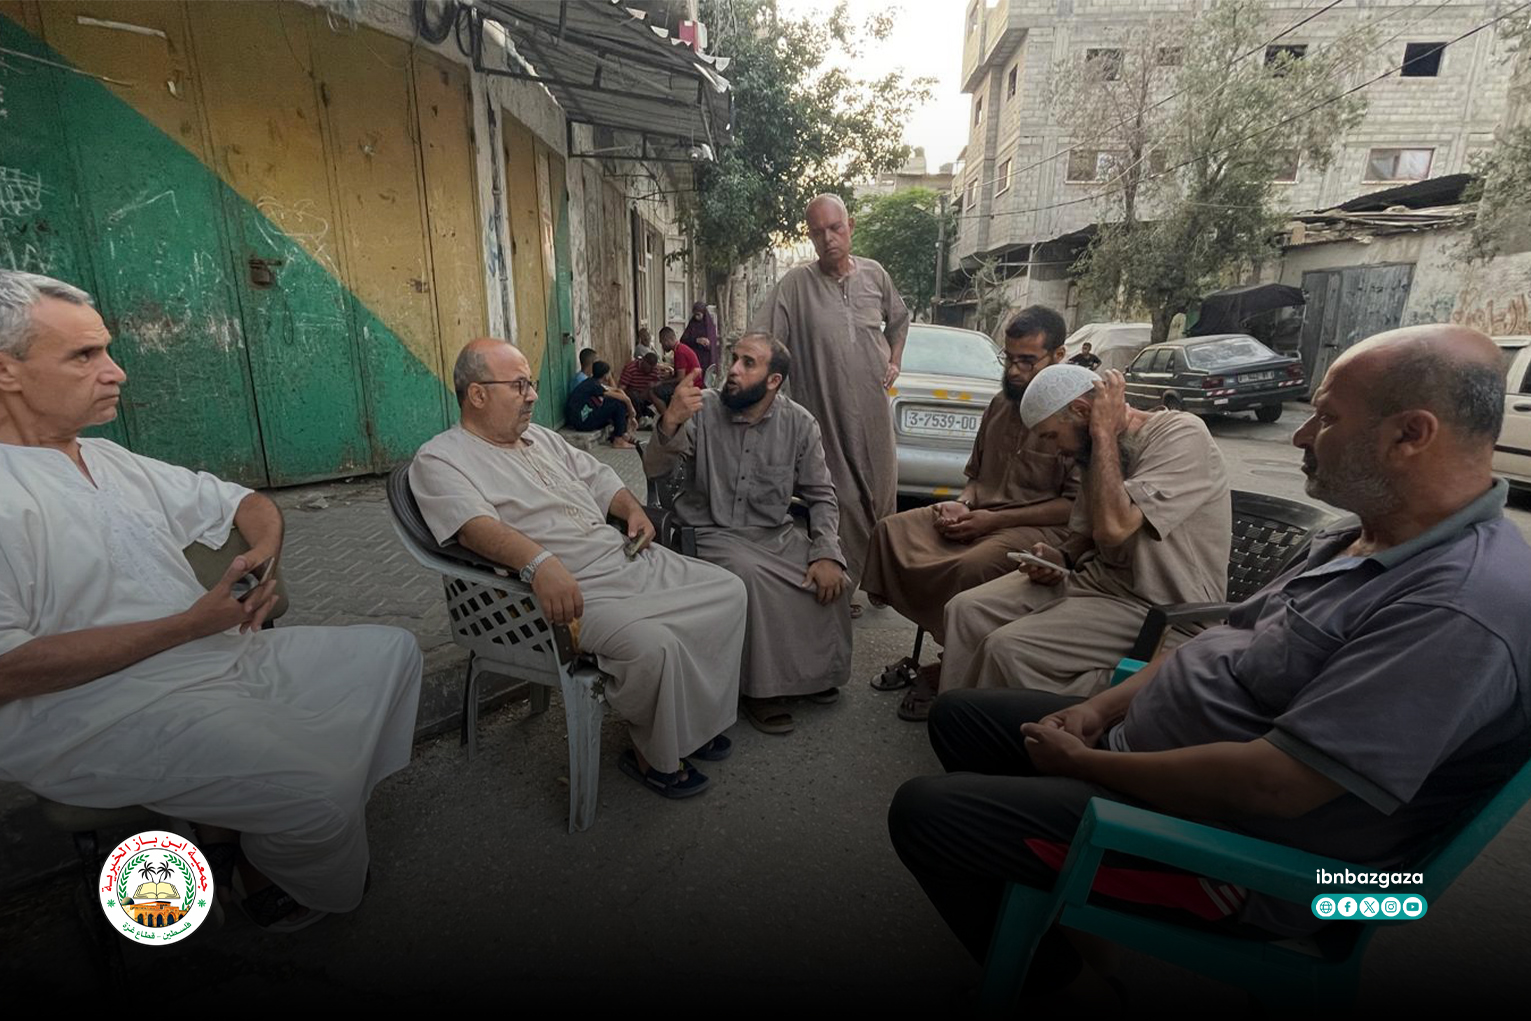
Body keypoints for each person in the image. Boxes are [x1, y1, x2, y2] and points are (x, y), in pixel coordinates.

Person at [889, 324, 1531, 989]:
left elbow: (1276, 786)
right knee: (961, 716)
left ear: (1411, 434)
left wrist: (1088, 763)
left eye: (1326, 417)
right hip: (1159, 766)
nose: (1300, 435)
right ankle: (1040, 892)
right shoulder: (1365, 536)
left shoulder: (1460, 604)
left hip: (1243, 861)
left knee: (929, 814)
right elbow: (1220, 637)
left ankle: (1056, 979)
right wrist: (1098, 711)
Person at [0, 271, 423, 932]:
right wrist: (189, 625)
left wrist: (263, 558)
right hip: (93, 713)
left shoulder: (109, 458)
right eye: (84, 355)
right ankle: (265, 872)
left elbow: (245, 502)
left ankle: (244, 824)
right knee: (315, 795)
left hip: (213, 656)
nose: (116, 372)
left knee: (392, 653)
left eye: (107, 349)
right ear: (7, 371)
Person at [411, 339, 746, 799]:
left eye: (531, 383)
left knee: (729, 590)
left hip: (621, 555)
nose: (532, 395)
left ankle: (692, 724)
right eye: (519, 385)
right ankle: (653, 755)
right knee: (653, 644)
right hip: (563, 588)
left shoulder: (541, 437)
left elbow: (599, 477)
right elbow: (472, 528)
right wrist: (539, 563)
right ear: (477, 394)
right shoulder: (441, 458)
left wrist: (632, 510)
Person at [934, 363, 1231, 711]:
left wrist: (1103, 434)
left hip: (1158, 604)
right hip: (1099, 583)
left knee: (1007, 648)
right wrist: (1061, 556)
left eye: (1051, 436)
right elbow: (1088, 535)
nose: (1055, 450)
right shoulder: (1092, 451)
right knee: (966, 611)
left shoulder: (1181, 434)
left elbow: (1114, 527)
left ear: (1081, 411)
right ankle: (958, 723)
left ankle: (1024, 733)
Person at [861, 306, 1080, 711]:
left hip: (1038, 529)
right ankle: (942, 644)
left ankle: (950, 667)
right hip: (983, 514)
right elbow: (976, 479)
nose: (1014, 371)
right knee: (891, 529)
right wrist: (961, 505)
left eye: (1027, 361)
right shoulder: (999, 404)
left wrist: (991, 521)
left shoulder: (1072, 416)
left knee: (970, 567)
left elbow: (1071, 507)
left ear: (1059, 356)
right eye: (1008, 358)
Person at [643, 333, 850, 736]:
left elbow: (822, 495)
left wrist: (827, 551)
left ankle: (814, 675)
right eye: (734, 358)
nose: (733, 370)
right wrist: (670, 421)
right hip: (710, 532)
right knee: (749, 575)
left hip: (773, 534)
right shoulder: (702, 412)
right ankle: (761, 690)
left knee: (831, 577)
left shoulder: (800, 424)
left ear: (773, 381)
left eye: (748, 363)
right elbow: (655, 471)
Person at [749, 193, 910, 616]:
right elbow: (763, 339)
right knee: (841, 498)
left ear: (850, 226)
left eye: (835, 228)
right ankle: (844, 581)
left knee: (882, 495)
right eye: (818, 232)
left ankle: (880, 580)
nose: (828, 239)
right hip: (824, 409)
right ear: (810, 236)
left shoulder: (875, 275)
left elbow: (899, 320)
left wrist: (894, 359)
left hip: (873, 410)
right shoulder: (795, 285)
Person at [564, 360, 637, 449]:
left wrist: (630, 414)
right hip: (582, 422)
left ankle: (623, 434)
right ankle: (618, 440)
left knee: (613, 403)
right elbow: (624, 399)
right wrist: (632, 413)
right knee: (618, 404)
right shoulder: (594, 386)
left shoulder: (592, 382)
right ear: (606, 375)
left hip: (580, 420)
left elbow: (618, 391)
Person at [619, 349, 664, 423]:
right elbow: (621, 388)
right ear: (643, 361)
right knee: (634, 396)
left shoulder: (655, 370)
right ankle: (638, 418)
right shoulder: (630, 368)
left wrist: (655, 384)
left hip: (647, 396)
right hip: (633, 396)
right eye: (648, 368)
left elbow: (659, 382)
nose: (649, 370)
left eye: (652, 368)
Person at [680, 300, 719, 377]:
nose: (696, 317)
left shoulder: (709, 327)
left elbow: (713, 346)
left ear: (703, 314)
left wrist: (707, 343)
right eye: (694, 314)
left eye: (698, 314)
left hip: (706, 360)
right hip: (694, 359)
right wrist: (696, 340)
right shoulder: (692, 324)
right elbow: (683, 340)